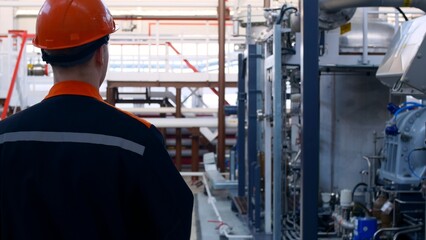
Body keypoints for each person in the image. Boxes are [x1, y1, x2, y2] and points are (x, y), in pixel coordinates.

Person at [0, 0, 194, 239]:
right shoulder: (137, 142)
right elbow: (174, 222)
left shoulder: (6, 137)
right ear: (101, 54)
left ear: (46, 57)